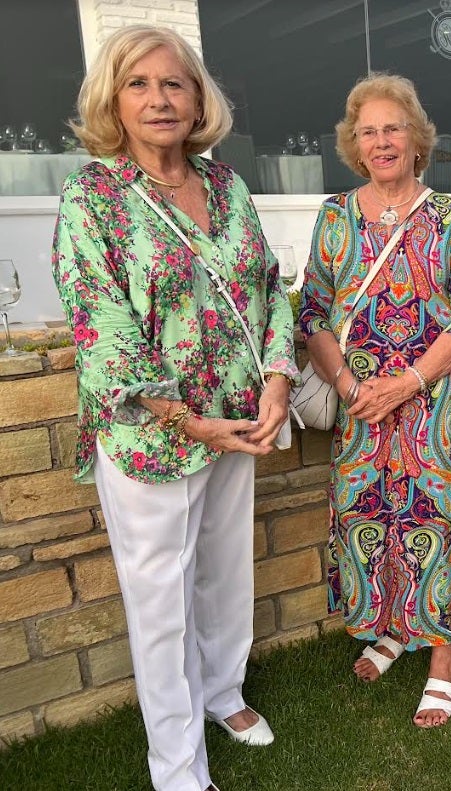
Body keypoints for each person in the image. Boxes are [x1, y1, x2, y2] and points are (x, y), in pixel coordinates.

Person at [51, 24, 296, 791]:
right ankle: (177, 766)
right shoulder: (93, 196)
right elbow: (100, 322)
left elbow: (265, 286)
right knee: (160, 600)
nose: (159, 99)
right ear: (113, 102)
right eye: (139, 84)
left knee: (225, 572)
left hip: (237, 417)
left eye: (174, 83)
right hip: (149, 435)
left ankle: (223, 693)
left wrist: (280, 376)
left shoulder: (225, 185)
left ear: (198, 101)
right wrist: (182, 416)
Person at [298, 73, 451, 728]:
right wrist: (351, 387)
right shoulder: (333, 215)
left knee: (428, 514)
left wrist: (406, 383)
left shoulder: (449, 216)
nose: (382, 141)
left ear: (416, 137)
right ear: (355, 143)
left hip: (424, 400)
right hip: (358, 403)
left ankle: (442, 652)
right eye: (369, 130)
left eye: (393, 127)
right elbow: (313, 310)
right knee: (365, 513)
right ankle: (392, 625)